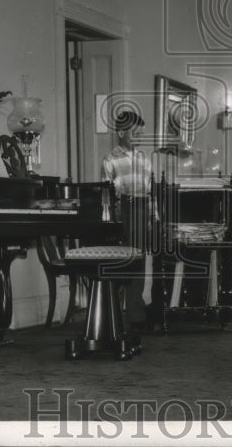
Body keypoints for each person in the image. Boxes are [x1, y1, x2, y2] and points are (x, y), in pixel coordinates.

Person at [101, 110, 154, 329]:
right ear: (121, 132)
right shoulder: (110, 159)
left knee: (139, 261)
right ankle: (114, 314)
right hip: (122, 215)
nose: (139, 137)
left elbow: (150, 191)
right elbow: (105, 193)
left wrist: (153, 216)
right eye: (135, 133)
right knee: (123, 262)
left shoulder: (145, 160)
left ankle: (136, 314)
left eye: (141, 133)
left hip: (142, 213)